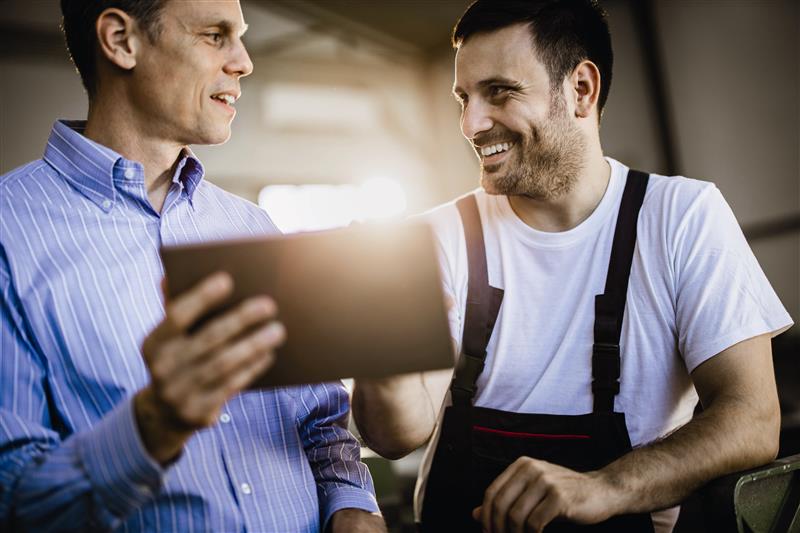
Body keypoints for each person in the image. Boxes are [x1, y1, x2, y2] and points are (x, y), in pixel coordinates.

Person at [352, 1, 793, 532]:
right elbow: (397, 435)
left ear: (581, 89)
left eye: (500, 91)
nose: (470, 123)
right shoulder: (435, 238)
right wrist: (378, 356)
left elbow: (752, 418)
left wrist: (605, 486)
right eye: (463, 98)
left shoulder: (681, 217)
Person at [0, 1, 385, 532]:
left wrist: (352, 504)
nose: (245, 61)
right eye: (215, 35)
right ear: (121, 40)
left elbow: (320, 424)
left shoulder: (252, 226)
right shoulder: (8, 232)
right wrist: (153, 425)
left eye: (241, 37)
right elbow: (14, 499)